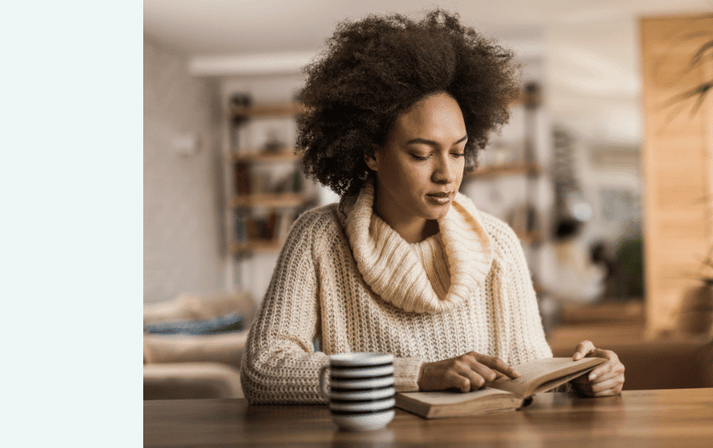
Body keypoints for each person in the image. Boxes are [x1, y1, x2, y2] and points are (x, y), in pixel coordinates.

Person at [240, 9, 625, 404]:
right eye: (422, 154)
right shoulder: (320, 238)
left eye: (457, 152)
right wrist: (417, 374)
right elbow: (265, 369)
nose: (447, 174)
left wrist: (578, 376)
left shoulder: (498, 242)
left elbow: (527, 370)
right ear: (372, 153)